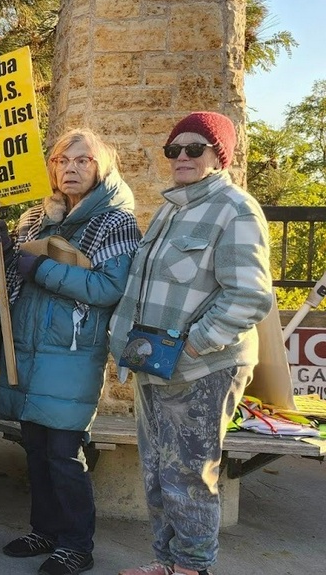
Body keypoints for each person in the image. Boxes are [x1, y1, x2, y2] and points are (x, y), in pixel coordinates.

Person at [110, 112, 274, 575]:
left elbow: (250, 296)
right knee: (158, 474)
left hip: (203, 367)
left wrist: (193, 346)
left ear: (218, 155)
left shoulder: (234, 208)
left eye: (194, 148)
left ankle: (192, 567)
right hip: (154, 367)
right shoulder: (171, 208)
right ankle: (165, 563)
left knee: (189, 475)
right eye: (173, 149)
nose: (182, 156)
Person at [0, 129, 142, 575]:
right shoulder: (35, 218)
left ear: (101, 166)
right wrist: (4, 248)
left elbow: (109, 288)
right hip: (29, 347)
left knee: (64, 452)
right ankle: (45, 531)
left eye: (83, 160)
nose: (70, 168)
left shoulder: (115, 222)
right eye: (62, 160)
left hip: (71, 351)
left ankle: (76, 545)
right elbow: (14, 276)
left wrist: (43, 268)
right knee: (34, 445)